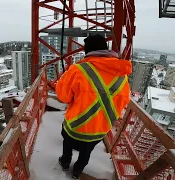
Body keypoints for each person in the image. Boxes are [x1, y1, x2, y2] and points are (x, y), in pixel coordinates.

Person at [55, 34, 132, 179]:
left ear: (87, 50)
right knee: (86, 153)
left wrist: (63, 83)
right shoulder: (122, 74)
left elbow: (63, 97)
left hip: (75, 126)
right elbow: (124, 100)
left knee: (67, 143)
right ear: (106, 48)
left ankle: (65, 162)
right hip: (99, 129)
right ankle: (77, 171)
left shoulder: (78, 69)